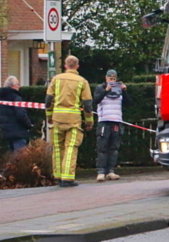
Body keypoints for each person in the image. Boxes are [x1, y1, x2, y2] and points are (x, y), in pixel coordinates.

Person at [45, 55, 94, 188]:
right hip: (73, 121)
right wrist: (89, 121)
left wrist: (49, 117)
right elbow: (88, 105)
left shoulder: (56, 79)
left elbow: (48, 101)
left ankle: (58, 176)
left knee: (57, 149)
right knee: (71, 148)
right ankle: (68, 178)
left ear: (65, 66)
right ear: (77, 66)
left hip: (57, 119)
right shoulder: (82, 81)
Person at [92, 69, 131, 182]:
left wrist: (124, 91)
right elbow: (95, 101)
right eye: (110, 78)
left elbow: (128, 103)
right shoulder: (100, 88)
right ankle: (101, 172)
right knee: (102, 147)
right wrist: (106, 90)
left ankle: (111, 171)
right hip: (104, 121)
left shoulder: (118, 89)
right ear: (106, 78)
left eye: (114, 79)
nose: (112, 80)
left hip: (116, 121)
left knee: (114, 148)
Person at [0, 75, 32, 160]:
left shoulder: (1, 98)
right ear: (12, 86)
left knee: (11, 157)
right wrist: (29, 125)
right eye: (18, 84)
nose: (19, 86)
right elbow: (21, 114)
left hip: (7, 131)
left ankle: (6, 173)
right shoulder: (16, 97)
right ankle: (9, 173)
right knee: (19, 158)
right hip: (18, 131)